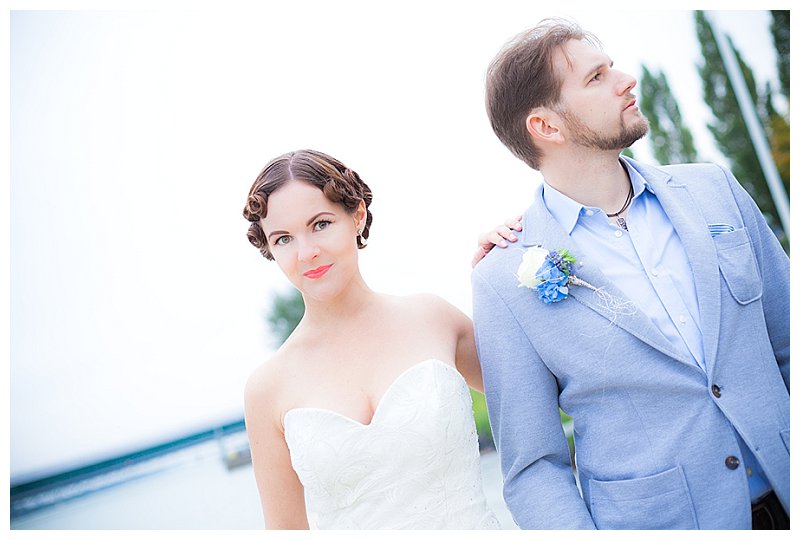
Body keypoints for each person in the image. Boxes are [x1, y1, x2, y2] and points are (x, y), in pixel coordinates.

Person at [471, 18, 790, 530]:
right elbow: (535, 468)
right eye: (596, 77)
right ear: (546, 127)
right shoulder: (504, 279)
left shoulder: (716, 191)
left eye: (611, 67)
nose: (626, 80)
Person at [241, 149, 502, 530]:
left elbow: (538, 392)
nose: (307, 253)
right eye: (283, 239)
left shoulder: (434, 319)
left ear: (357, 215)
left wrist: (505, 269)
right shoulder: (267, 388)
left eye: (320, 224)